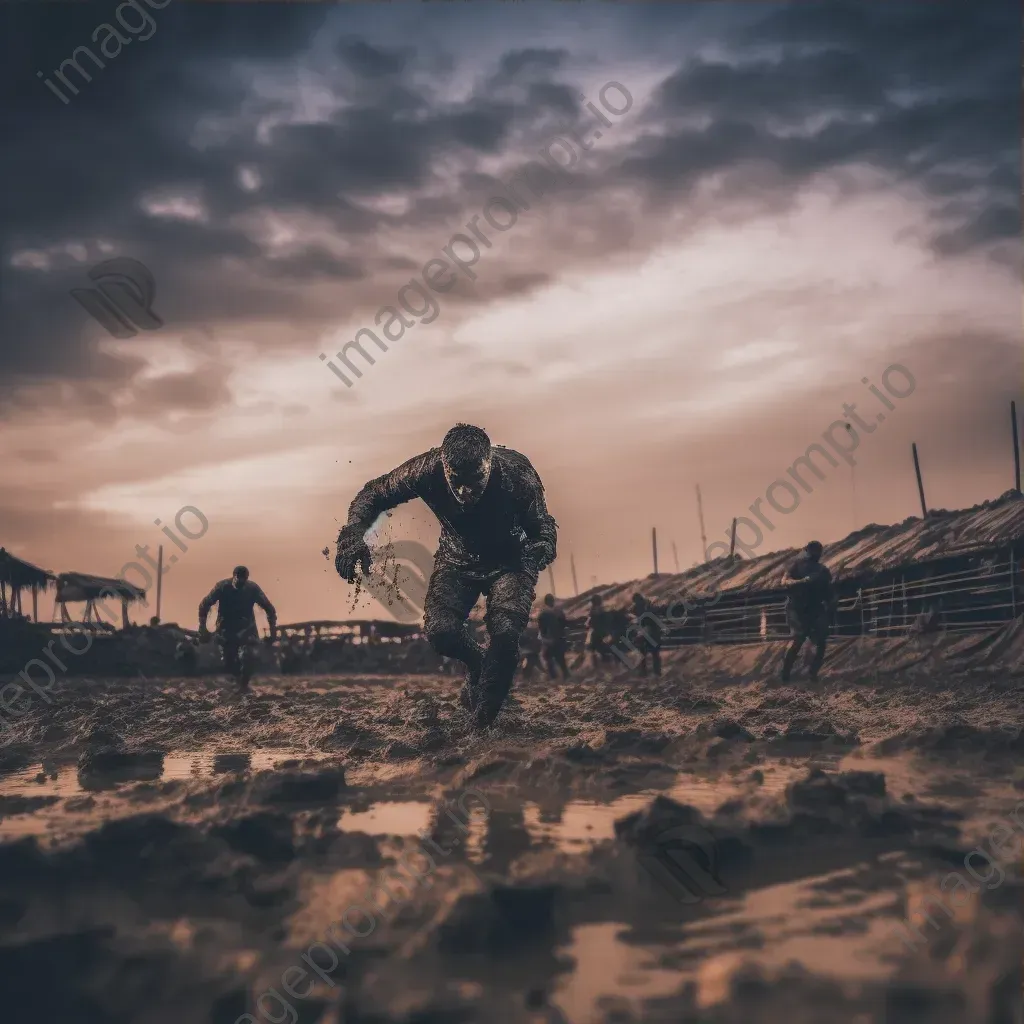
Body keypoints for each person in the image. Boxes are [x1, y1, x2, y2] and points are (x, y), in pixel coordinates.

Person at [334, 423, 557, 730]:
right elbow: (372, 494)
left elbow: (543, 525)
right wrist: (351, 536)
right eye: (457, 482)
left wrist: (543, 548)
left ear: (490, 463)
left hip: (512, 560)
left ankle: (484, 722)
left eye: (475, 480)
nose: (466, 492)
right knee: (441, 632)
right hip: (456, 559)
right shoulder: (425, 469)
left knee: (505, 633)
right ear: (444, 466)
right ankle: (480, 665)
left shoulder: (517, 473)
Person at [198, 565, 277, 692]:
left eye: (243, 582)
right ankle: (238, 681)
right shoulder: (222, 587)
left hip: (247, 627)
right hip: (226, 628)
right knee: (229, 659)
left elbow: (269, 609)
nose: (240, 585)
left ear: (246, 579)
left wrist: (273, 629)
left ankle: (244, 684)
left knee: (249, 655)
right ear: (233, 578)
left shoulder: (252, 588)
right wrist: (202, 627)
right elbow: (204, 605)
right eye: (238, 582)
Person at [780, 541, 834, 682]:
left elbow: (829, 592)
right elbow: (784, 581)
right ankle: (785, 675)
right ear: (807, 551)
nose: (815, 554)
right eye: (813, 550)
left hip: (814, 607)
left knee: (821, 642)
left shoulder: (823, 570)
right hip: (796, 607)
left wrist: (830, 606)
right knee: (798, 639)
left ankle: (812, 674)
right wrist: (802, 581)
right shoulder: (796, 566)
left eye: (818, 551)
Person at [537, 593, 571, 679]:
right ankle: (566, 676)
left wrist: (544, 638)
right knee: (560, 658)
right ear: (553, 601)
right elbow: (564, 624)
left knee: (547, 657)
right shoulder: (559, 611)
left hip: (550, 640)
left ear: (545, 602)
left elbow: (542, 629)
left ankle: (554, 677)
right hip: (560, 638)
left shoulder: (543, 614)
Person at [630, 592, 663, 677]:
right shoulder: (640, 607)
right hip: (648, 633)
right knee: (651, 653)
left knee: (648, 654)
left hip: (650, 632)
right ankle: (654, 672)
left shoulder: (645, 607)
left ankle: (649, 673)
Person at [586, 594, 612, 668]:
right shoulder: (602, 610)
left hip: (598, 633)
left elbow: (589, 623)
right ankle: (605, 665)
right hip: (602, 633)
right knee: (602, 649)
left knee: (594, 649)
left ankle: (598, 666)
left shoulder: (593, 611)